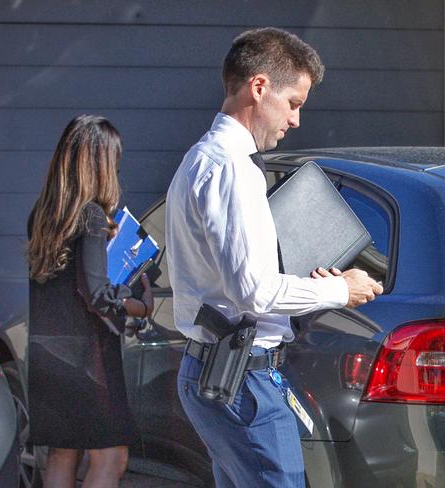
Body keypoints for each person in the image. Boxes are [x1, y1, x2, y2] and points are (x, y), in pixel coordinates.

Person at [165, 28, 383, 487]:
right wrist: (339, 289)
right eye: (294, 103)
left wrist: (317, 288)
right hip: (242, 379)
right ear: (259, 87)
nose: (296, 120)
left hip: (225, 371)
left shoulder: (202, 158)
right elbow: (256, 291)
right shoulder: (232, 169)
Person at [26, 114, 153, 488]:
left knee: (64, 453)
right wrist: (139, 305)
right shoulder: (92, 217)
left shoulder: (43, 215)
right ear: (99, 162)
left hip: (49, 355)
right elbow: (97, 294)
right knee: (111, 457)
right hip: (88, 360)